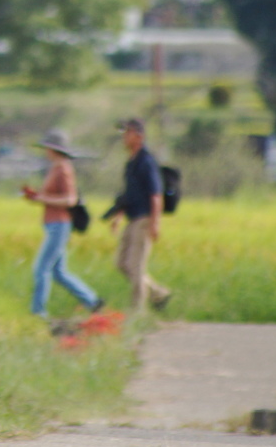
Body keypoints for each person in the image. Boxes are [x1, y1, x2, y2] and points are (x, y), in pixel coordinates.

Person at [23, 129, 104, 319]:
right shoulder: (55, 167)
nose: (45, 151)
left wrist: (42, 198)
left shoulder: (64, 169)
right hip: (53, 224)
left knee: (41, 268)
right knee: (58, 272)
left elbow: (70, 199)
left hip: (60, 224)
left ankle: (38, 311)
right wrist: (37, 197)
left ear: (53, 149)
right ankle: (92, 301)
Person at [106, 118, 171, 311]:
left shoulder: (146, 162)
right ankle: (158, 293)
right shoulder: (131, 163)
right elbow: (129, 194)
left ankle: (137, 313)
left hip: (144, 219)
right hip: (132, 218)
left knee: (136, 267)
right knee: (122, 264)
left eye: (128, 133)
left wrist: (155, 223)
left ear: (139, 137)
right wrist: (118, 217)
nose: (124, 137)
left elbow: (156, 194)